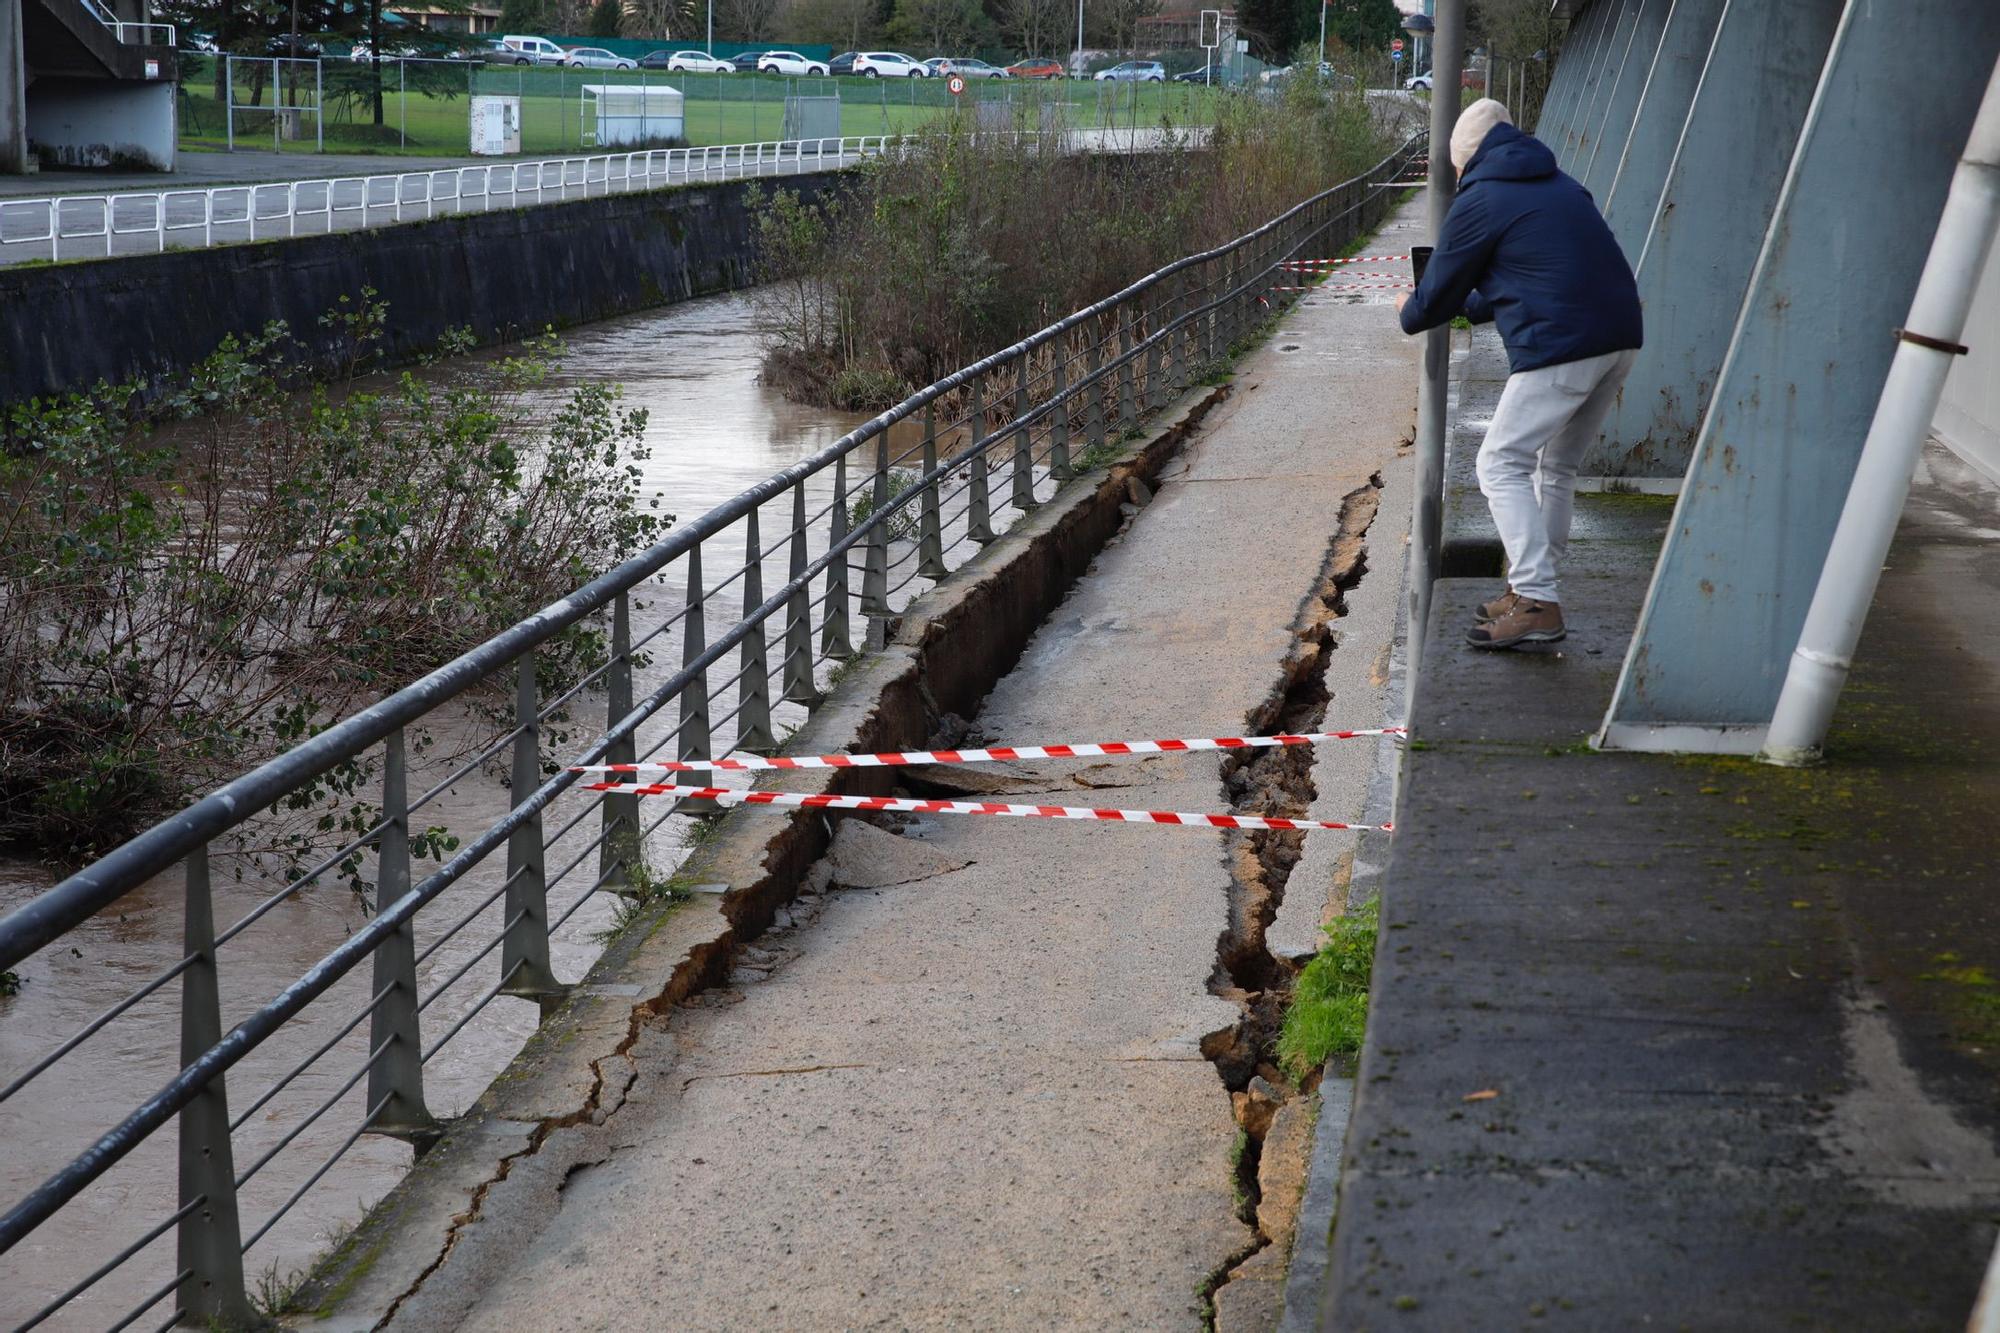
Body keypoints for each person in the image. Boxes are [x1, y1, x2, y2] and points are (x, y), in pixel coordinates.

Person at [1396, 99, 1644, 649]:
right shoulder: (1561, 184)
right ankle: (1533, 589)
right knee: (1555, 467)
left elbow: (1432, 300)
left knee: (1499, 462)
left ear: (1465, 161)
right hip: (1620, 336)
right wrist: (1471, 305)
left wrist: (1406, 308)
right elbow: (1531, 276)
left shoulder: (1480, 196)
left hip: (1561, 344)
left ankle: (1537, 600)